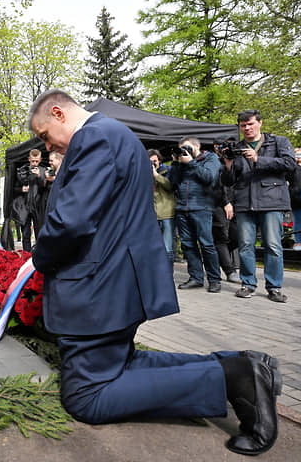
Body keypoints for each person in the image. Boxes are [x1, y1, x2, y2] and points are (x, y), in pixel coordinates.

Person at [28, 89, 282, 456]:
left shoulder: (94, 137)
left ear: (58, 112)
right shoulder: (117, 135)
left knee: (87, 397)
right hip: (113, 282)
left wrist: (38, 258)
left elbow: (72, 221)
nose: (48, 145)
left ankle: (232, 379)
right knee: (121, 363)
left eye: (45, 134)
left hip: (100, 287)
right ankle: (241, 365)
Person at [220, 110, 296, 303]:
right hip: (245, 202)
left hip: (272, 201)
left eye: (250, 124)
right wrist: (228, 164)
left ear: (260, 123)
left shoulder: (278, 142)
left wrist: (258, 159)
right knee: (245, 246)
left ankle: (274, 287)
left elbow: (289, 164)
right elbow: (228, 181)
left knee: (272, 245)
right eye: (243, 125)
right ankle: (248, 284)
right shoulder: (236, 148)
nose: (247, 128)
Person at [168, 137, 222, 292]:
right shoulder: (181, 162)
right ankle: (196, 278)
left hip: (201, 207)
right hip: (182, 208)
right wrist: (176, 163)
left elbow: (209, 178)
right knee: (188, 245)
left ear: (197, 146)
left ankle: (214, 279)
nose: (184, 151)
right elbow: (172, 183)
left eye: (187, 148)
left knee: (206, 244)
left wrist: (191, 162)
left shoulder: (210, 158)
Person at [147, 149, 176, 267]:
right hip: (152, 215)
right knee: (151, 247)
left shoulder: (167, 170)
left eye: (155, 161)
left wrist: (156, 175)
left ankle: (169, 275)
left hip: (166, 214)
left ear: (159, 160)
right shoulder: (144, 172)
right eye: (150, 162)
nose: (153, 164)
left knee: (167, 248)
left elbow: (170, 186)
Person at [18, 150, 48, 252]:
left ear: (40, 159)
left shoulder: (44, 170)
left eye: (36, 161)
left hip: (38, 205)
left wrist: (40, 176)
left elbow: (46, 187)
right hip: (25, 205)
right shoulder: (22, 170)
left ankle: (38, 255)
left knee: (39, 232)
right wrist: (21, 189)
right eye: (33, 161)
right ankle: (26, 255)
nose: (34, 163)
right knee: (25, 234)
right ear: (29, 159)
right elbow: (14, 188)